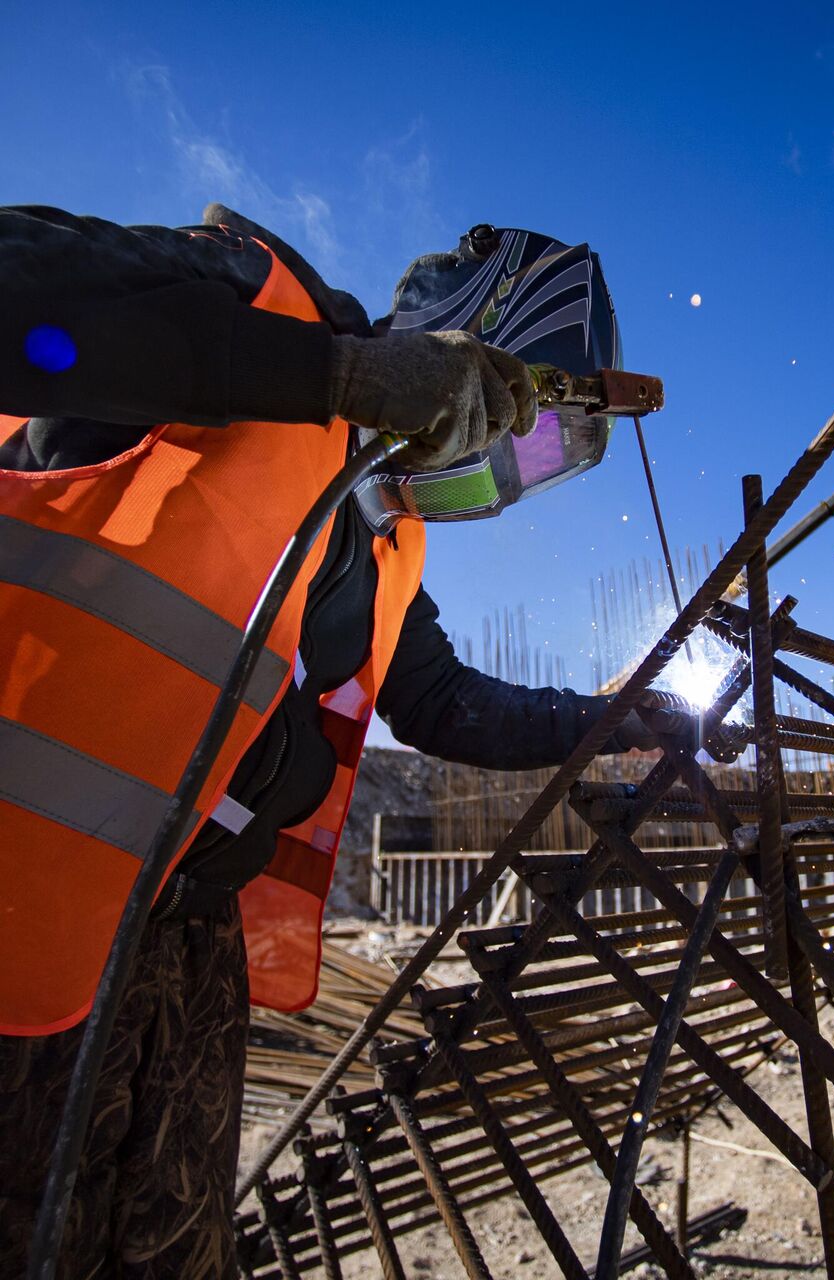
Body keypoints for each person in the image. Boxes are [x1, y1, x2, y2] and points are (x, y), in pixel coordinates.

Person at [0, 204, 687, 1279]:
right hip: (22, 917)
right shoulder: (246, 298)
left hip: (180, 941)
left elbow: (442, 701)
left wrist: (613, 716)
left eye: (538, 458)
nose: (501, 473)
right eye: (515, 420)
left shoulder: (375, 528)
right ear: (459, 338)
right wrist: (331, 374)